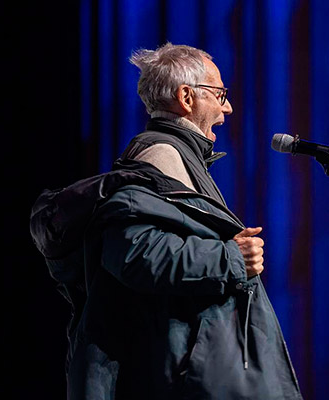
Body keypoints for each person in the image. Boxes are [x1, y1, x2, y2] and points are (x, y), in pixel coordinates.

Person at [30, 43, 302, 400]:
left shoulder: (178, 160)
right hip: (177, 379)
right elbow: (133, 254)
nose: (228, 108)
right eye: (220, 94)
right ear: (186, 97)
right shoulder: (158, 161)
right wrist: (232, 258)